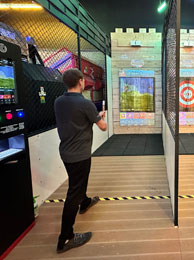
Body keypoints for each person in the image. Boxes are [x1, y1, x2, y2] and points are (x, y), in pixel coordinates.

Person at [54, 68, 107, 253]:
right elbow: (102, 126)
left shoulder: (58, 102)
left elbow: (74, 119)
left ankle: (84, 202)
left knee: (78, 182)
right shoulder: (85, 104)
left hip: (66, 153)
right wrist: (101, 116)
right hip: (80, 155)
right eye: (83, 80)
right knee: (73, 192)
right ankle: (65, 238)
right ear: (80, 81)